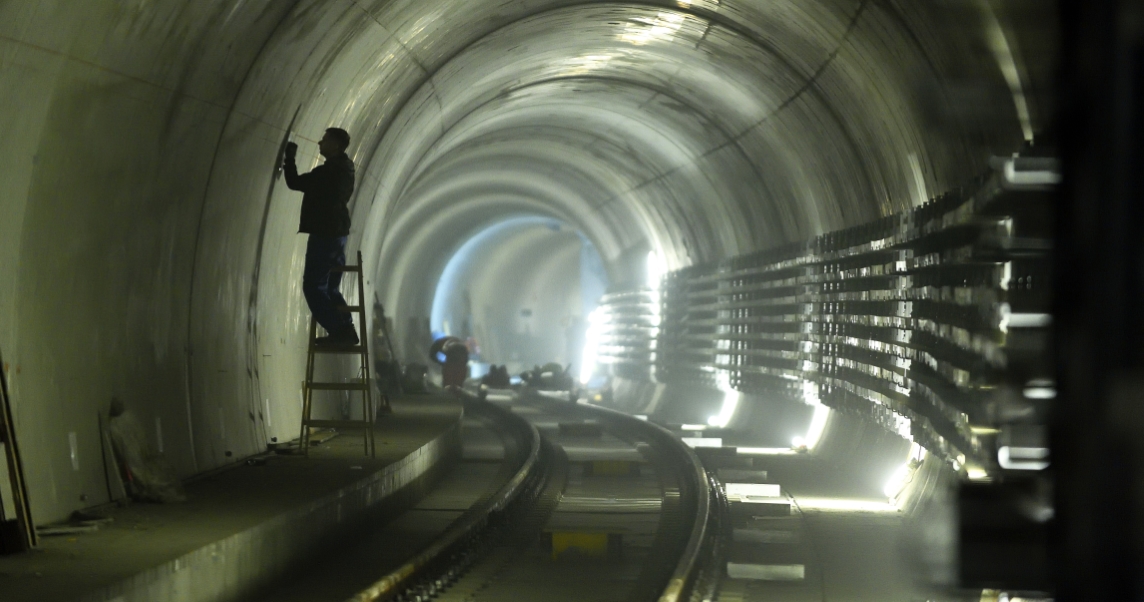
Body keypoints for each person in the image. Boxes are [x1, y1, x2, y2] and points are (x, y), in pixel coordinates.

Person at [283, 128, 359, 346]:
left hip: (325, 235)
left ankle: (339, 331)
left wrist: (290, 157)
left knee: (313, 286)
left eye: (324, 140)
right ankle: (347, 329)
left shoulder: (329, 172)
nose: (319, 142)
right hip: (338, 234)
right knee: (331, 288)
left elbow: (295, 182)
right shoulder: (346, 168)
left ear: (335, 145)